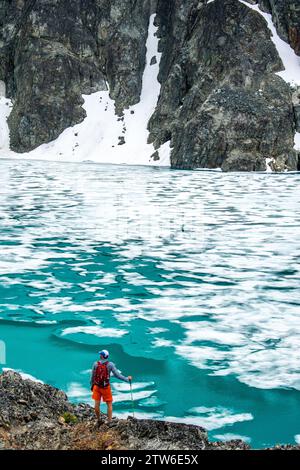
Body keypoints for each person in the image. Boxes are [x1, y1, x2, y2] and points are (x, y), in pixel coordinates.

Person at [91, 349, 132, 422]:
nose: (100, 355)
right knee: (109, 404)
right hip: (105, 387)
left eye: (101, 354)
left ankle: (99, 420)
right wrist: (127, 379)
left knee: (97, 404)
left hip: (96, 386)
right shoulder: (110, 364)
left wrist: (92, 386)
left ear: (102, 356)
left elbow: (92, 377)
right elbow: (117, 375)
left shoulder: (95, 364)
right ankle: (109, 422)